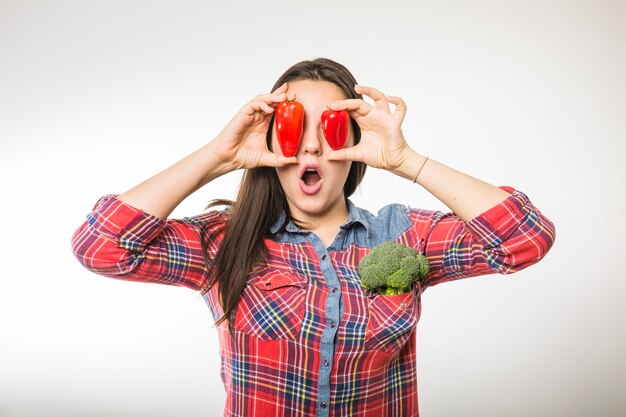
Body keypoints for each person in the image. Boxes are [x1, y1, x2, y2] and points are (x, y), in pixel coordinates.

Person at [71, 57, 556, 417]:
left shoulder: (405, 235)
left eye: (328, 126)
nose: (310, 144)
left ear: (352, 143)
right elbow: (101, 247)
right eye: (291, 123)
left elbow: (525, 238)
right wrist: (220, 155)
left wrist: (406, 160)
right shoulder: (225, 243)